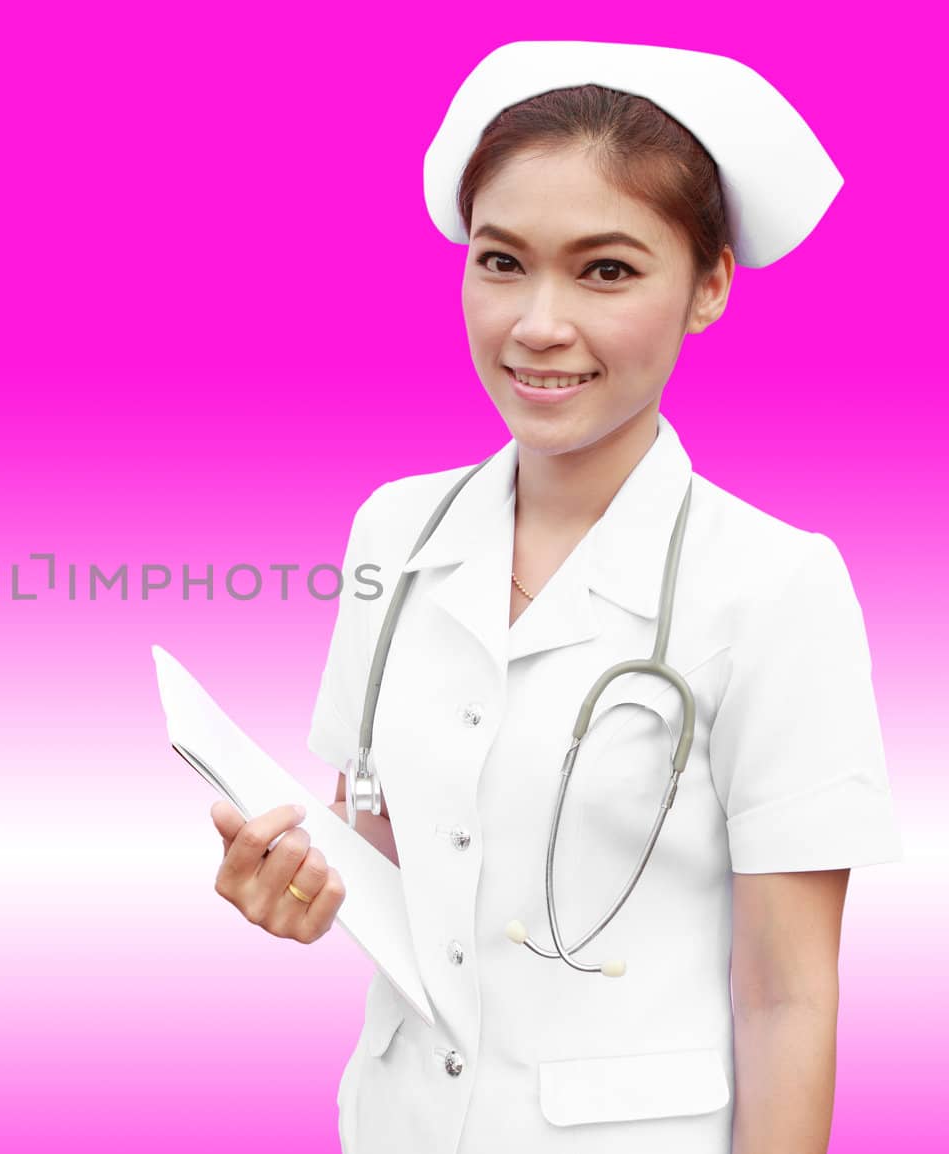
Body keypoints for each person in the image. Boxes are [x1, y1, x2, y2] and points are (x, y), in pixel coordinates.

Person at [208, 40, 904, 1154]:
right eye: (500, 261)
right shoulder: (394, 528)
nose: (535, 322)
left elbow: (787, 998)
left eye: (606, 270)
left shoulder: (777, 586)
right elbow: (388, 845)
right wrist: (295, 884)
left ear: (710, 284)